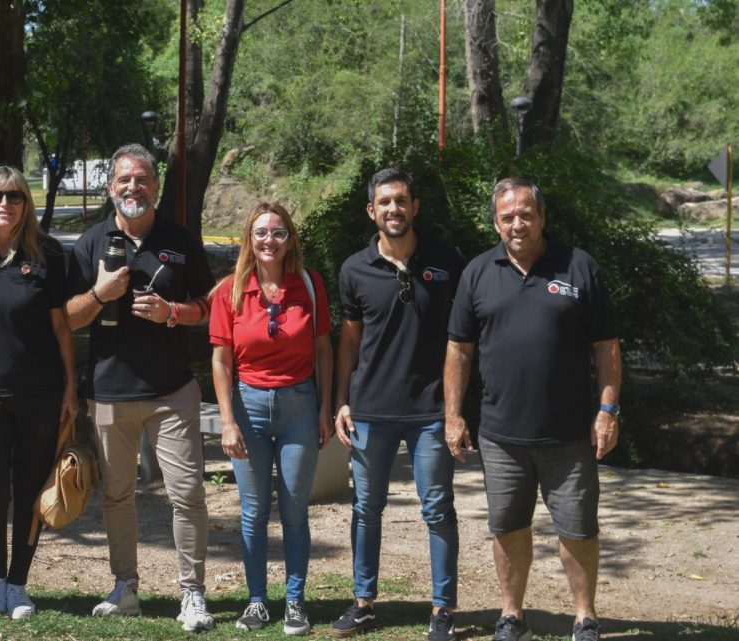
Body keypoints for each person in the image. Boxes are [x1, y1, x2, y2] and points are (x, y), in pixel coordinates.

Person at [445, 178, 621, 641]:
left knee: (578, 531)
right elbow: (459, 349)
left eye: (526, 214)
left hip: (568, 436)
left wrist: (608, 409)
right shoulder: (478, 272)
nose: (517, 224)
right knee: (507, 528)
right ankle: (511, 616)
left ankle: (585, 617)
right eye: (508, 216)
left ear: (542, 217)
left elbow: (607, 347)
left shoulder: (579, 267)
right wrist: (453, 415)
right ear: (496, 222)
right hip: (501, 435)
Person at [65, 143, 217, 632]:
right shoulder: (90, 242)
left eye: (142, 180)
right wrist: (100, 294)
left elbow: (211, 306)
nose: (134, 188)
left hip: (172, 391)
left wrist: (173, 313)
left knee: (188, 494)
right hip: (109, 392)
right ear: (111, 188)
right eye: (124, 181)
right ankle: (125, 586)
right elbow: (65, 319)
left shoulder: (180, 240)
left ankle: (192, 593)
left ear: (155, 187)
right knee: (116, 496)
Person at [328, 168, 464, 640]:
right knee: (366, 508)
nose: (393, 209)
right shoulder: (353, 269)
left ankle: (443, 610)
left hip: (430, 411)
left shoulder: (447, 261)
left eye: (401, 201)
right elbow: (348, 344)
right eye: (384, 202)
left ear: (415, 207)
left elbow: (462, 339)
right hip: (370, 411)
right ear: (372, 210)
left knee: (438, 509)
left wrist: (456, 409)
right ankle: (364, 603)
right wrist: (341, 402)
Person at [0, 166, 78, 620]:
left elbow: (60, 326)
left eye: (14, 197)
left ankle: (18, 584)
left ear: (26, 203)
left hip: (41, 394)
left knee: (31, 491)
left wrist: (70, 387)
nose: (4, 204)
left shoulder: (47, 255)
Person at [209, 202, 333, 636]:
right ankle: (258, 601)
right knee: (254, 511)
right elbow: (221, 361)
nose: (269, 240)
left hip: (300, 406)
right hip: (248, 408)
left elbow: (323, 349)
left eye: (278, 232)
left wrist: (325, 408)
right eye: (260, 232)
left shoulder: (311, 285)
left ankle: (295, 602)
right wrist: (227, 421)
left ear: (290, 239)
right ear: (249, 238)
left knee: (295, 509)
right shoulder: (229, 290)